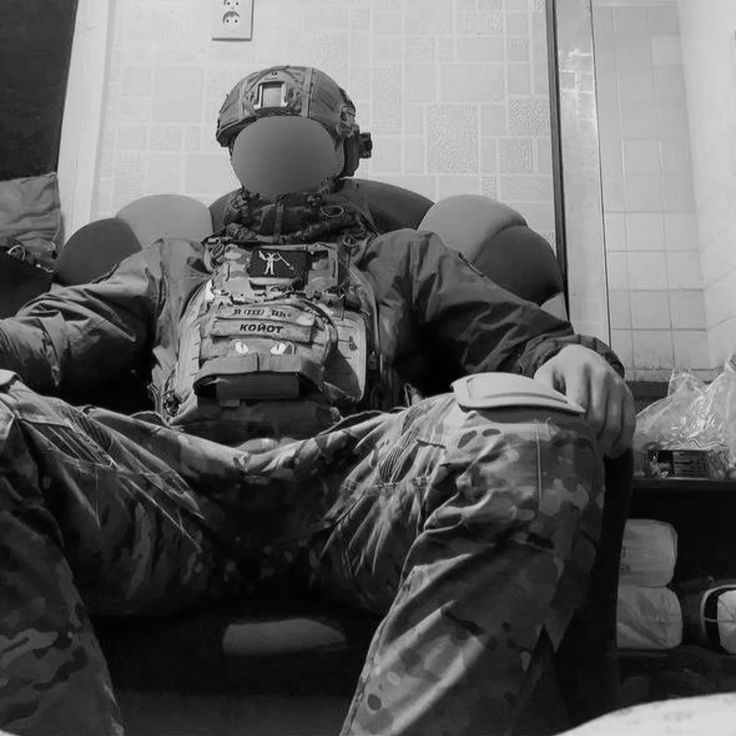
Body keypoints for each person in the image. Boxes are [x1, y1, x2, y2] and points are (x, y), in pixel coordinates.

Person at [0, 65, 635, 736]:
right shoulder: (172, 262)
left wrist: (564, 354)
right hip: (176, 500)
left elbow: (512, 334)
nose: (279, 158)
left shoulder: (404, 256)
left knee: (529, 436)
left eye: (299, 142)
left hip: (356, 498)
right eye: (259, 143)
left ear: (346, 151)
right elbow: (50, 335)